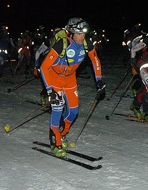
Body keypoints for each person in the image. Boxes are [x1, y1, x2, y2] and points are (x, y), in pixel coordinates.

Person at [40, 18, 105, 157]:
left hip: (70, 80)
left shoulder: (87, 44)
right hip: (55, 79)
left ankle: (62, 134)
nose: (82, 37)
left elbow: (95, 60)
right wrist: (50, 90)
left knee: (74, 112)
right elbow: (44, 67)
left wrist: (99, 80)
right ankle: (55, 142)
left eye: (83, 34)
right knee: (57, 110)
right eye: (79, 34)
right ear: (71, 33)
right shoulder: (61, 45)